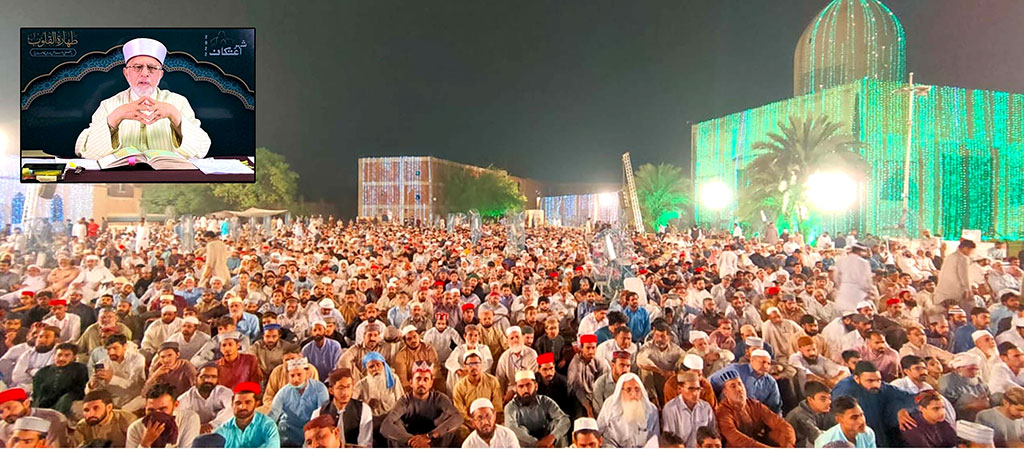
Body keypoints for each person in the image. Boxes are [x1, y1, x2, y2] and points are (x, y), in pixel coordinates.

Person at [78, 37, 211, 160]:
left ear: (160, 75)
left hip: (167, 176)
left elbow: (202, 149)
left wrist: (175, 116)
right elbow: (87, 151)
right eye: (137, 67)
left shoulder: (178, 102)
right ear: (126, 73)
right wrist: (116, 117)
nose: (145, 74)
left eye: (152, 68)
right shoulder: (109, 105)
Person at [831, 361, 917, 447]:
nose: (876, 385)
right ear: (857, 379)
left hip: (879, 433)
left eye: (878, 380)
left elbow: (910, 398)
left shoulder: (880, 386)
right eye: (870, 381)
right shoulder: (845, 390)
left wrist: (902, 410)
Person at [380, 361, 462, 447]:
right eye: (418, 379)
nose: (421, 383)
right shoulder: (405, 400)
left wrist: (429, 436)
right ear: (411, 383)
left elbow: (458, 417)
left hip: (433, 440)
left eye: (425, 379)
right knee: (395, 423)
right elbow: (385, 426)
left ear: (431, 383)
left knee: (450, 421)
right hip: (409, 442)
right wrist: (413, 441)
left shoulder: (439, 398)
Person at [712, 368, 796, 447]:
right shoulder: (722, 412)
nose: (739, 389)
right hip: (743, 446)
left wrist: (789, 443)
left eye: (740, 384)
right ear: (725, 392)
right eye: (733, 386)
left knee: (780, 434)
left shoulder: (754, 404)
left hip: (760, 443)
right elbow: (737, 440)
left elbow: (780, 423)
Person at [268, 357, 329, 447]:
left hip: (311, 433)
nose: (295, 379)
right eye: (292, 376)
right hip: (287, 434)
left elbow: (321, 415)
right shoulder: (283, 392)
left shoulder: (320, 389)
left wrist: (309, 441)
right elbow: (273, 414)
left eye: (299, 375)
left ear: (307, 374)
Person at [503, 370, 571, 447]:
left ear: (536, 386)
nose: (525, 390)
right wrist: (537, 444)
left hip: (548, 440)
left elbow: (565, 419)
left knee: (557, 427)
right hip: (527, 444)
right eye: (521, 386)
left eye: (528, 385)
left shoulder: (545, 401)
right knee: (519, 431)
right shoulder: (511, 407)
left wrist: (552, 437)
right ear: (516, 389)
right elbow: (511, 428)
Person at [310, 368, 373, 447]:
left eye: (348, 387)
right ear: (331, 390)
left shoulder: (363, 410)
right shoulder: (319, 413)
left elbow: (365, 444)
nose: (345, 393)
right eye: (340, 388)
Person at [125, 383, 200, 448]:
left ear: (176, 405)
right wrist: (145, 444)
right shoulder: (135, 429)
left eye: (162, 409)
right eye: (151, 410)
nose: (157, 414)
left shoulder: (189, 419)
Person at [596, 372, 660, 447]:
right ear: (620, 391)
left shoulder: (651, 410)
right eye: (628, 389)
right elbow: (598, 432)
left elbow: (654, 439)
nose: (633, 394)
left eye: (637, 389)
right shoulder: (609, 405)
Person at [86, 333, 146, 413]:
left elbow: (135, 384)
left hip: (133, 399)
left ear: (125, 346)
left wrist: (112, 379)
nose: (111, 352)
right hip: (112, 401)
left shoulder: (137, 359)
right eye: (108, 349)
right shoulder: (102, 363)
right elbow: (94, 392)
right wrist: (91, 385)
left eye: (115, 348)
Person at [710, 349, 781, 412]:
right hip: (730, 412)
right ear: (752, 360)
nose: (766, 366)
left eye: (768, 364)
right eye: (763, 362)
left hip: (757, 417)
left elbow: (775, 407)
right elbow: (710, 383)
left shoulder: (770, 382)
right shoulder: (735, 370)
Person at [215, 382, 281, 447]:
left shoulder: (268, 425)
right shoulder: (224, 429)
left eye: (247, 402)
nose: (242, 407)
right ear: (232, 404)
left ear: (256, 404)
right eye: (238, 403)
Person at [0, 387, 72, 447]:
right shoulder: (2, 427)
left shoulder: (52, 418)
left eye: (9, 408)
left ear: (26, 403)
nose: (6, 415)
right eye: (1, 412)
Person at [451, 351, 503, 433]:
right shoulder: (459, 387)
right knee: (461, 431)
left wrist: (489, 421)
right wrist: (473, 422)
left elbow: (497, 406)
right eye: (470, 364)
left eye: (477, 363)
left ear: (481, 365)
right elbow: (459, 411)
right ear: (465, 367)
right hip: (470, 423)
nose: (474, 367)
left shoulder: (492, 381)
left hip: (491, 420)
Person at [31, 343, 88, 416]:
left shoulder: (80, 369)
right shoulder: (42, 372)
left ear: (74, 357)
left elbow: (80, 390)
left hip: (66, 402)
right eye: (59, 355)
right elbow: (37, 394)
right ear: (54, 356)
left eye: (67, 355)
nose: (62, 358)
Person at [176, 363, 233, 435]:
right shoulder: (185, 398)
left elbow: (232, 409)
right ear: (196, 377)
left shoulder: (223, 392)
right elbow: (178, 419)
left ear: (217, 379)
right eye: (204, 376)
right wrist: (197, 428)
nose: (208, 380)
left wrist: (212, 425)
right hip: (195, 433)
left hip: (220, 432)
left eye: (213, 377)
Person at [662, 371, 715, 447]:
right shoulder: (670, 409)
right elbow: (671, 441)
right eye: (691, 389)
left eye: (698, 389)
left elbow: (712, 434)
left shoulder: (706, 407)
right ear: (679, 389)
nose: (695, 393)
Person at [939, 353, 991, 421]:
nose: (975, 372)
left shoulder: (979, 381)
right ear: (959, 369)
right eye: (971, 369)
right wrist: (971, 405)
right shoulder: (947, 379)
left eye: (976, 369)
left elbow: (987, 396)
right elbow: (946, 404)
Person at [566, 334, 608, 417]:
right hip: (579, 397)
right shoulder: (576, 362)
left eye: (593, 348)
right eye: (588, 348)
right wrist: (588, 408)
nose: (591, 351)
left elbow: (602, 383)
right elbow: (577, 388)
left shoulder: (599, 361)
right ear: (581, 348)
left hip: (595, 394)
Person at [786, 380, 836, 448]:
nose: (828, 402)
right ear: (810, 400)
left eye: (829, 398)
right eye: (823, 399)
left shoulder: (824, 409)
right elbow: (819, 438)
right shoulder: (800, 416)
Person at [935, 240, 975, 312]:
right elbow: (963, 276)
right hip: (955, 291)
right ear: (966, 248)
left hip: (942, 289)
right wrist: (968, 290)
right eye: (971, 250)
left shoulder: (950, 256)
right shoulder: (963, 258)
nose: (971, 253)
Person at [834, 245, 874, 313]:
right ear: (859, 252)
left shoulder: (840, 261)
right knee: (858, 313)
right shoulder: (863, 262)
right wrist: (868, 290)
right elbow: (867, 280)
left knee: (843, 312)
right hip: (857, 291)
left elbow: (837, 278)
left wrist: (840, 288)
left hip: (844, 289)